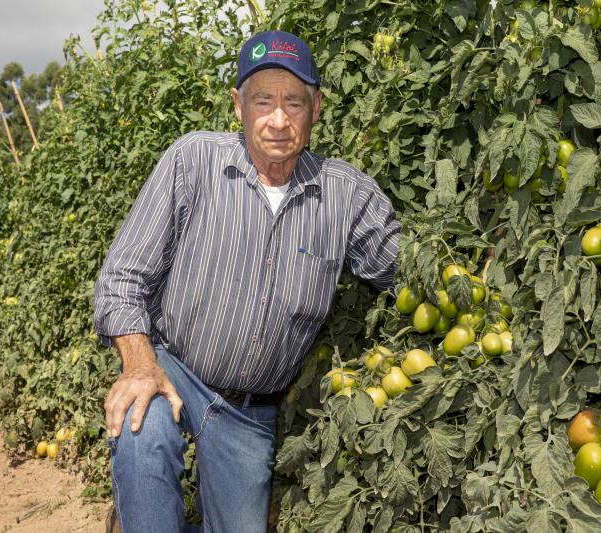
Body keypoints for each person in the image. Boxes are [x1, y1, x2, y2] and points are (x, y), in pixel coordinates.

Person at [93, 30, 400, 533]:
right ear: (239, 105)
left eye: (294, 102)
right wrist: (141, 365)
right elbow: (122, 278)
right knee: (140, 426)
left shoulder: (347, 196)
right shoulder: (193, 161)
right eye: (263, 100)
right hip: (175, 367)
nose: (278, 119)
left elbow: (407, 272)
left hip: (249, 413)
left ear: (316, 108)